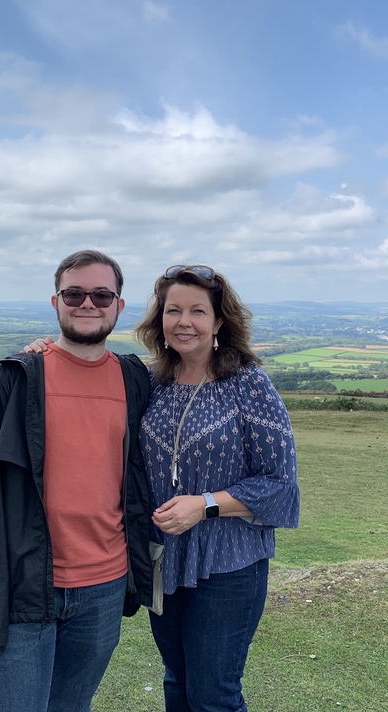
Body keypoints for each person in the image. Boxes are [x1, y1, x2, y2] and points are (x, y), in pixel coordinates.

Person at [0, 250, 153, 712]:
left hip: (105, 587)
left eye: (101, 295)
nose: (88, 304)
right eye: (74, 294)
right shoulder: (17, 379)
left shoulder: (135, 379)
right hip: (25, 587)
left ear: (119, 305)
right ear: (55, 301)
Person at [134, 264, 300, 712]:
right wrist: (43, 352)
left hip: (228, 563)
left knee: (213, 696)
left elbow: (280, 484)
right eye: (173, 310)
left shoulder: (248, 384)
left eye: (197, 311)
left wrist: (204, 505)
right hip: (165, 559)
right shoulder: (151, 383)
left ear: (219, 321)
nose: (183, 321)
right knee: (177, 682)